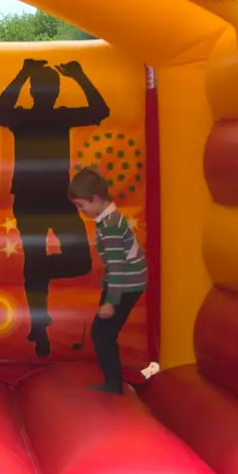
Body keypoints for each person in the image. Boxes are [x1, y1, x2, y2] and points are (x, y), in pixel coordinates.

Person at [0, 59, 110, 356]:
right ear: (56, 92)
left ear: (32, 91)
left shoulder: (30, 117)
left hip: (46, 199)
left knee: (45, 261)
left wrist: (22, 73)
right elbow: (100, 110)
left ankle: (38, 287)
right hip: (44, 199)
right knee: (59, 260)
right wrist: (80, 76)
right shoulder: (51, 117)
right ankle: (38, 326)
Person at [68, 168, 148, 395]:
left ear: (96, 199)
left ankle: (113, 385)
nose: (80, 211)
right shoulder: (108, 218)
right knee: (103, 333)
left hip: (126, 284)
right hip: (126, 281)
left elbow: (117, 266)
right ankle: (112, 383)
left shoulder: (111, 225)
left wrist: (111, 301)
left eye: (81, 205)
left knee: (102, 334)